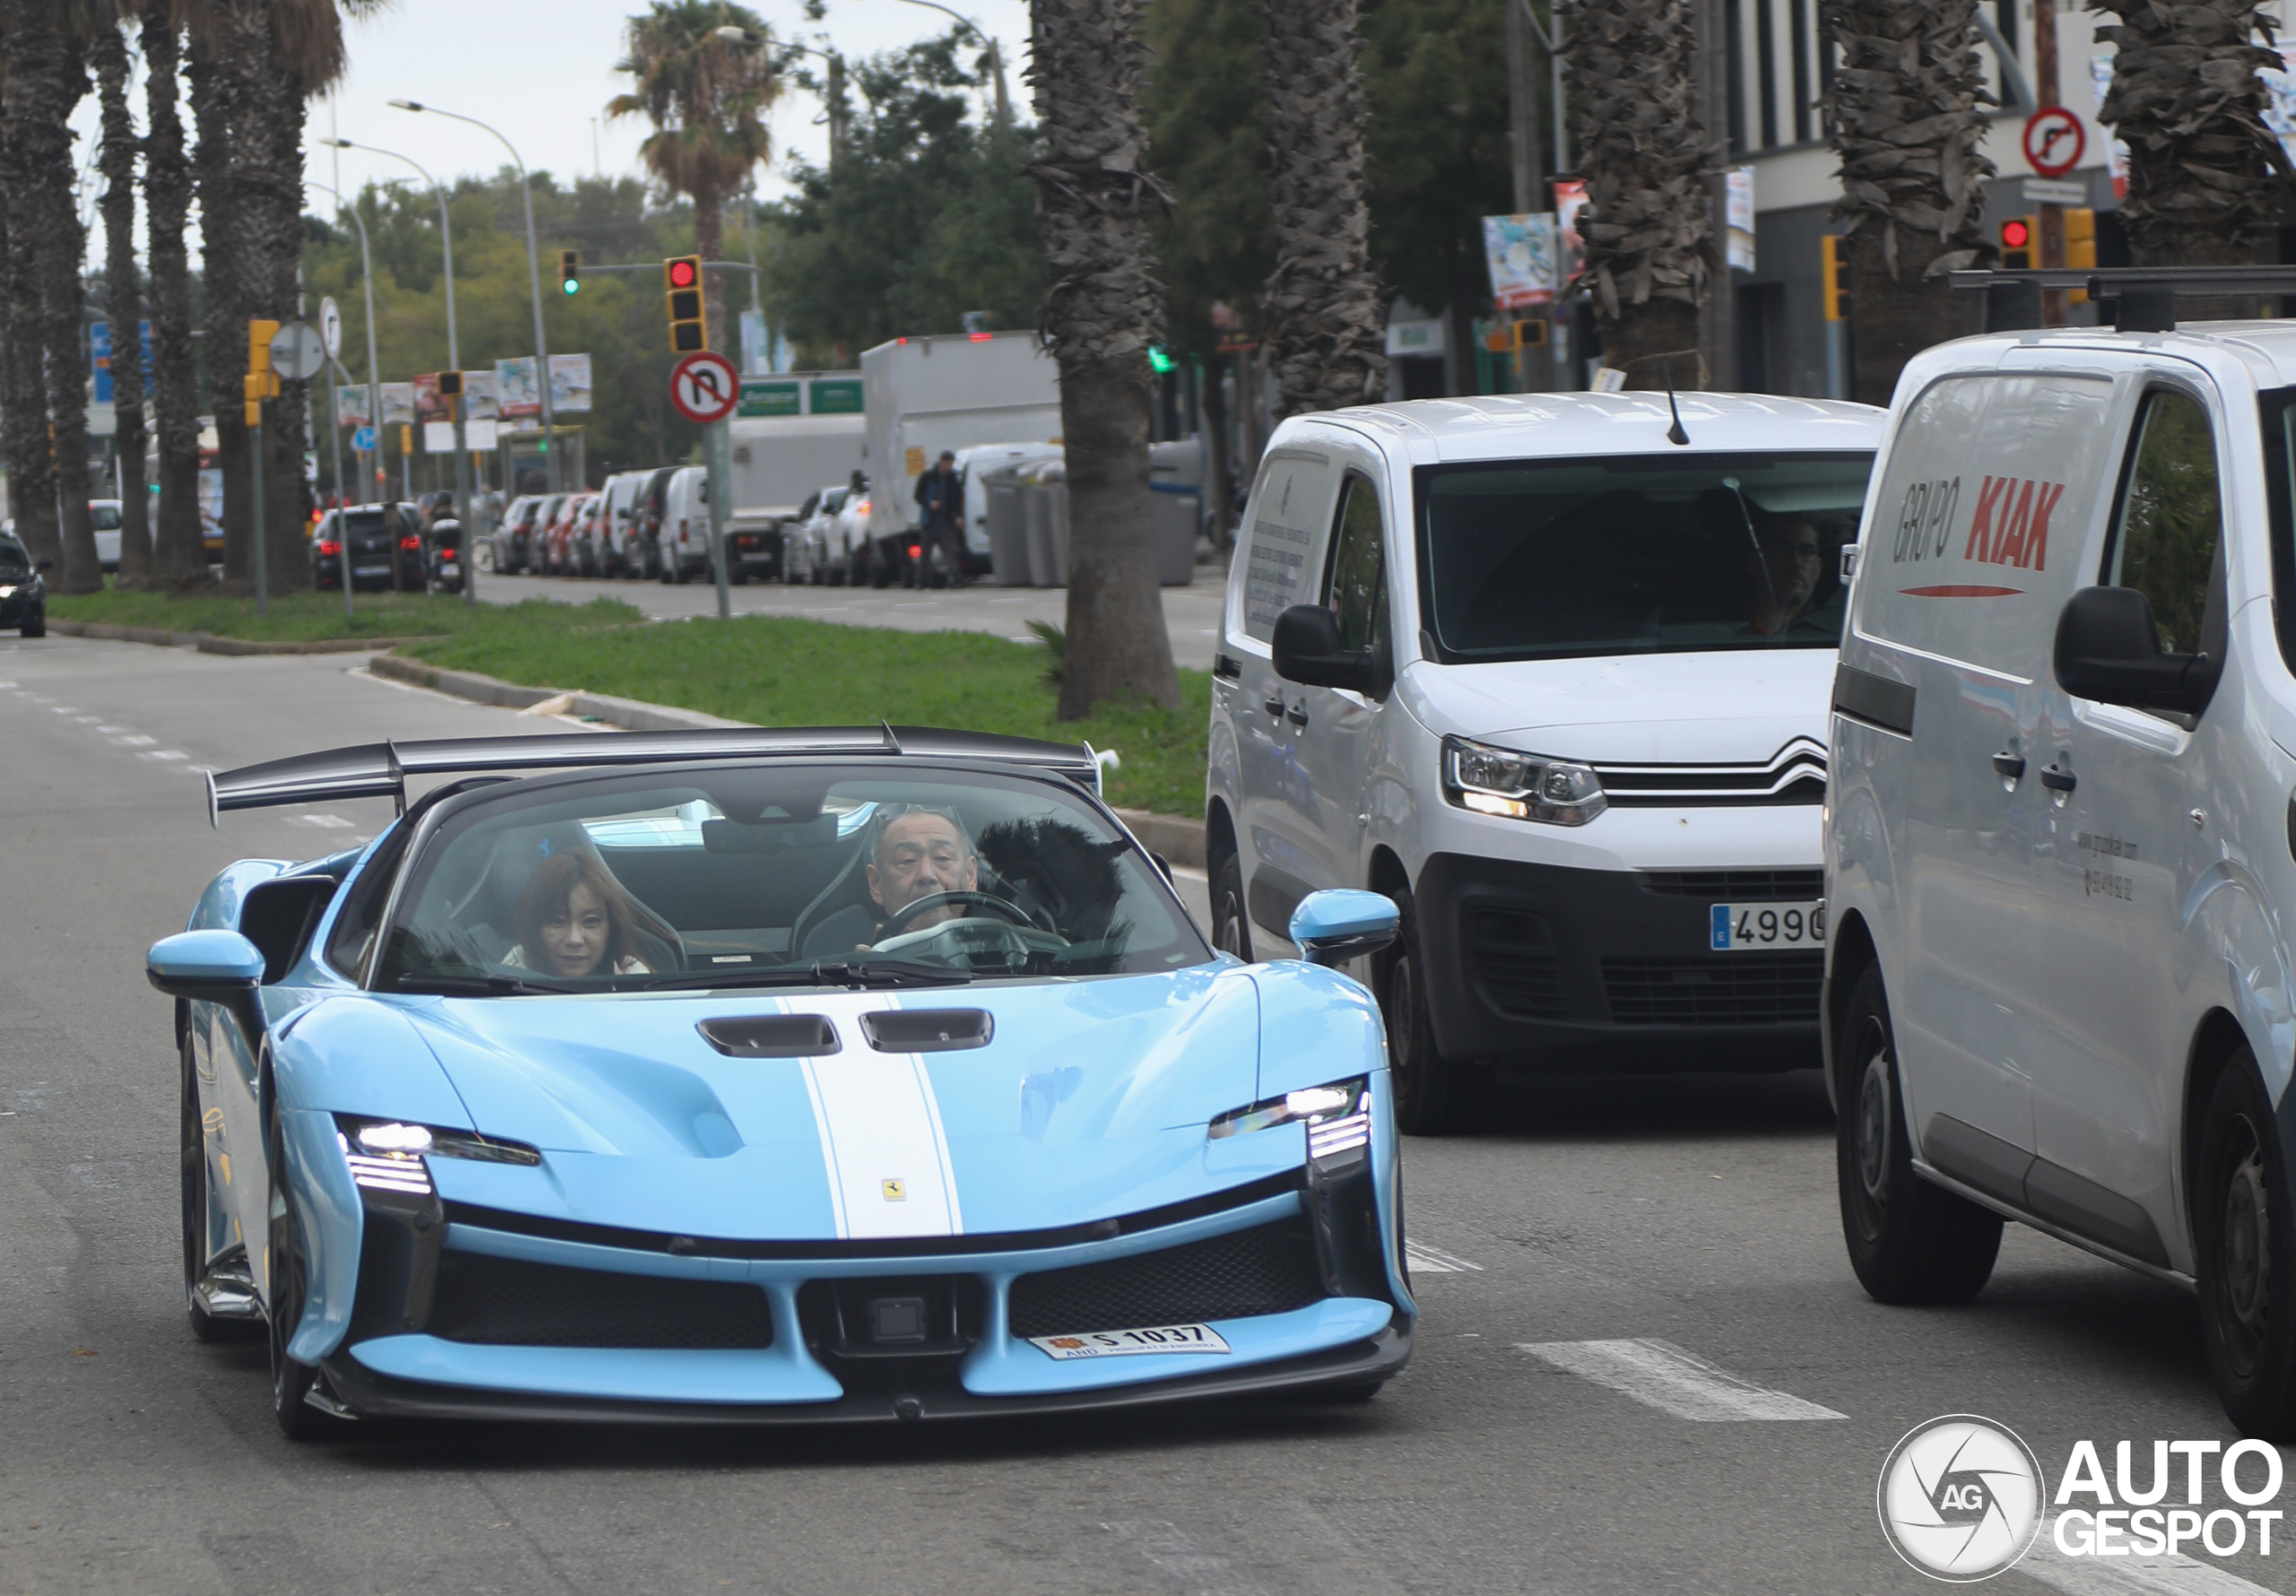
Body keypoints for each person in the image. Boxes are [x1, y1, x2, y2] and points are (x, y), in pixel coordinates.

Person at [506, 852, 650, 978]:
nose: (574, 940)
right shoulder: (514, 973)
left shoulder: (631, 974)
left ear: (612, 927)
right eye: (557, 921)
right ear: (534, 926)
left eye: (591, 921)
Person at [862, 805, 979, 946]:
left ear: (970, 876)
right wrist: (873, 965)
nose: (926, 874)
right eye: (908, 860)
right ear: (876, 883)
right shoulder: (854, 965)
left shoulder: (1005, 952)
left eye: (942, 858)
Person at [1744, 515, 1840, 638]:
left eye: (1807, 552)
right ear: (1754, 562)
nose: (1796, 562)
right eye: (1782, 550)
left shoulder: (1838, 633)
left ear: (1818, 568)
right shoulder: (1721, 627)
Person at [913, 450, 963, 588]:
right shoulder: (928, 477)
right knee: (925, 552)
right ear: (942, 462)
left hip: (946, 520)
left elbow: (957, 499)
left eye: (951, 464)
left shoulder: (952, 479)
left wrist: (958, 516)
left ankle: (954, 578)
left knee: (950, 550)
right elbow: (918, 495)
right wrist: (929, 503)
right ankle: (920, 580)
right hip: (929, 520)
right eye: (948, 463)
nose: (950, 467)